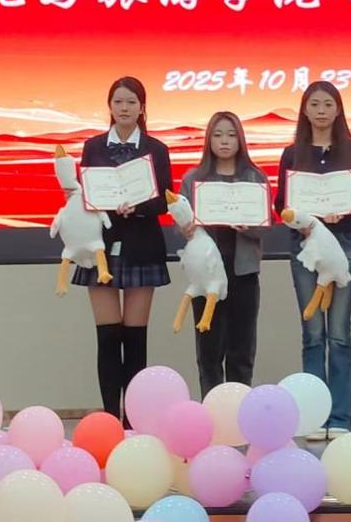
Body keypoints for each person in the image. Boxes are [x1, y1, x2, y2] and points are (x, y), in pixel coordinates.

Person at [274, 81, 351, 439]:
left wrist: (342, 210)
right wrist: (302, 220)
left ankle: (340, 417)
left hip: (342, 244)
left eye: (328, 104)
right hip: (305, 248)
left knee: (340, 334)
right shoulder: (292, 154)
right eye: (314, 104)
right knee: (313, 333)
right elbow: (281, 205)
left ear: (338, 109)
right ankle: (314, 416)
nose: (321, 110)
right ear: (304, 110)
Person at [72, 76, 172, 427]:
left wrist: (139, 206)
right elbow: (86, 195)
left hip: (142, 246)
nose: (125, 108)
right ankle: (110, 418)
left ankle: (134, 420)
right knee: (107, 337)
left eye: (131, 102)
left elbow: (165, 200)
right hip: (101, 247)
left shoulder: (156, 148)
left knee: (135, 338)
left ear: (142, 107)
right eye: (118, 101)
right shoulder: (93, 146)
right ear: (110, 106)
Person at [178, 111, 269, 397]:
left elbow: (266, 227)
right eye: (217, 135)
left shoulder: (255, 177)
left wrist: (250, 226)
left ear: (240, 139)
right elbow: (180, 222)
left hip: (243, 271)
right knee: (209, 347)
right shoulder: (193, 179)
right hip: (206, 275)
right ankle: (212, 409)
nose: (225, 141)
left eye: (231, 135)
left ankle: (240, 410)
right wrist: (186, 228)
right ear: (208, 140)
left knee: (241, 348)